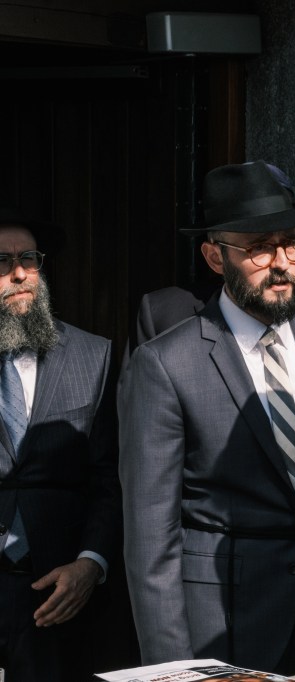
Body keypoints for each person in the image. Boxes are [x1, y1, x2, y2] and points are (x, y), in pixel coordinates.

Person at [120, 161, 295, 675]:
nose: (282, 262)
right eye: (259, 247)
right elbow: (152, 535)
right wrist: (172, 668)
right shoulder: (165, 363)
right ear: (215, 257)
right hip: (222, 619)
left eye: (292, 242)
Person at [0, 208, 120, 681]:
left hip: (56, 597)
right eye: (4, 260)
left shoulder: (94, 356)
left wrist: (91, 562)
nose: (20, 272)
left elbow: (111, 477)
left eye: (29, 258)